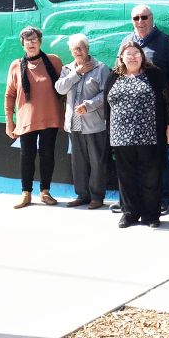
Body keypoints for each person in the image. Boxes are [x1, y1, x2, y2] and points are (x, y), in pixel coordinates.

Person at [104, 42, 169, 228]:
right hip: (121, 137)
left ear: (142, 56)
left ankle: (151, 215)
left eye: (136, 53)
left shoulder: (154, 74)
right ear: (121, 57)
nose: (133, 57)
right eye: (128, 54)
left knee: (151, 175)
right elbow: (107, 106)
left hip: (149, 135)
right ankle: (129, 213)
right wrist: (109, 134)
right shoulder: (114, 76)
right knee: (126, 177)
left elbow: (168, 101)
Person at [120, 4, 169, 215]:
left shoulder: (165, 42)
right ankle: (135, 202)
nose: (140, 21)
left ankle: (162, 199)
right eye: (136, 18)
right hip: (130, 115)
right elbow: (118, 72)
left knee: (158, 158)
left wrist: (165, 99)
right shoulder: (127, 43)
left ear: (151, 18)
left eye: (144, 17)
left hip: (156, 114)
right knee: (135, 159)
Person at [5, 27, 64, 209]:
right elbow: (9, 95)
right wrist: (9, 122)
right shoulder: (16, 65)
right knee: (27, 156)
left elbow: (65, 87)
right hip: (26, 119)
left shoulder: (54, 61)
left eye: (34, 39)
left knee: (47, 155)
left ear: (40, 42)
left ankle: (45, 191)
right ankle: (26, 193)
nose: (31, 43)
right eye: (27, 40)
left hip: (50, 117)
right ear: (22, 44)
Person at [54, 34, 110, 209]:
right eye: (75, 49)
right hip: (73, 123)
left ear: (88, 49)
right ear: (71, 51)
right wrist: (77, 73)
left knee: (96, 161)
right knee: (78, 161)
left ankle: (96, 197)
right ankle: (82, 195)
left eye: (81, 47)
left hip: (94, 123)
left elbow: (107, 94)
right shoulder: (67, 69)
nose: (78, 51)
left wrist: (89, 105)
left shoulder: (100, 68)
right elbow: (60, 88)